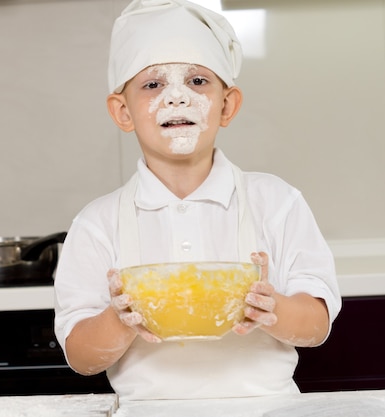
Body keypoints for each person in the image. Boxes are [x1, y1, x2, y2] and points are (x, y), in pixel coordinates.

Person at [54, 0, 341, 400]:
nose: (177, 97)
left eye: (198, 81)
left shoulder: (276, 202)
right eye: (153, 84)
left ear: (227, 105)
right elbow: (82, 356)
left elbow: (316, 327)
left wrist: (272, 308)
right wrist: (118, 320)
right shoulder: (97, 223)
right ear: (123, 113)